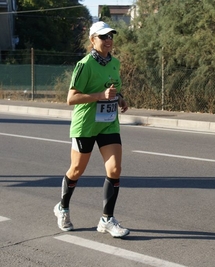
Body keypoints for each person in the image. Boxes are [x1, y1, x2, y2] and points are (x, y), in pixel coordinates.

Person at [53, 21, 130, 237]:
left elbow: (114, 89)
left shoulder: (115, 63)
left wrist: (120, 99)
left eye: (111, 37)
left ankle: (107, 219)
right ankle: (63, 207)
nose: (108, 40)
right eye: (103, 37)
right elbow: (71, 98)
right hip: (85, 124)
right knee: (76, 170)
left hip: (108, 123)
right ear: (92, 40)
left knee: (114, 170)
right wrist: (99, 97)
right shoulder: (85, 65)